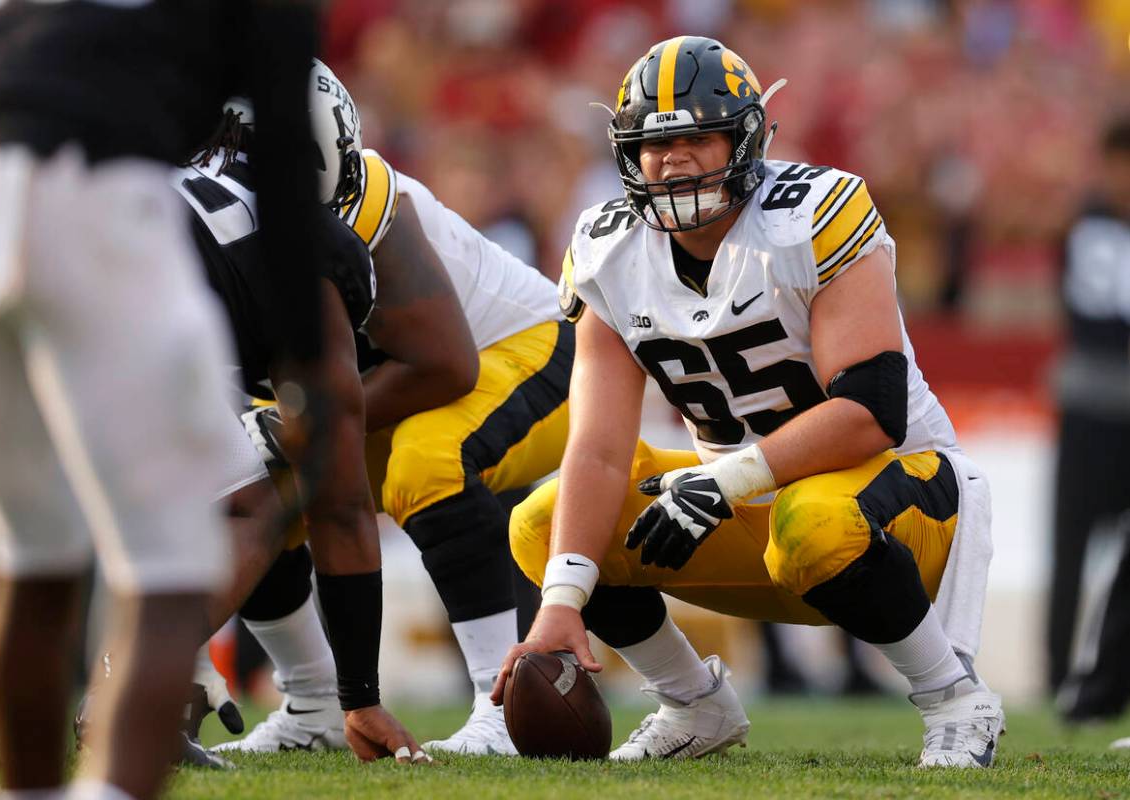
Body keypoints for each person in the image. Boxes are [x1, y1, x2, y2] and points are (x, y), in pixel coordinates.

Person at [493, 35, 1002, 769]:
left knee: (812, 520)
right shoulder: (607, 250)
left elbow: (869, 412)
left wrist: (722, 479)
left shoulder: (812, 214)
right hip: (743, 508)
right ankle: (692, 703)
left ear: (748, 139)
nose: (672, 160)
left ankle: (955, 698)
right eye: (653, 143)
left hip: (903, 501)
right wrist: (559, 605)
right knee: (544, 526)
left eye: (697, 136)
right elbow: (599, 449)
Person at [0, 1, 330, 798]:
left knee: (29, 557)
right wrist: (309, 369)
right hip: (101, 195)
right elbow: (282, 175)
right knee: (168, 569)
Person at [216, 113, 571, 757]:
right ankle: (314, 701)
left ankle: (503, 702)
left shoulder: (369, 202)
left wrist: (293, 427)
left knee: (426, 462)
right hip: (415, 383)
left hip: (529, 348)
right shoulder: (222, 226)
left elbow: (445, 365)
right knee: (259, 488)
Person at [159, 61, 434, 764]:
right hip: (108, 324)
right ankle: (129, 696)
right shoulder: (308, 245)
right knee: (254, 504)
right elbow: (337, 500)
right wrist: (362, 697)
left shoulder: (162, 173)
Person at [1049, 117, 1130, 728]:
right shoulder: (1087, 225)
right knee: (1070, 551)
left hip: (1096, 404)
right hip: (1090, 408)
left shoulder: (1080, 223)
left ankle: (1094, 681)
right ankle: (1062, 679)